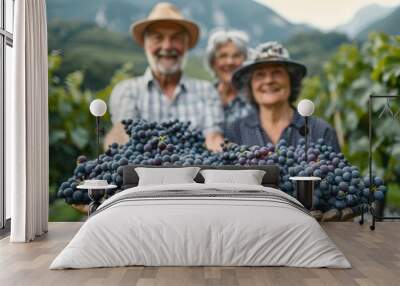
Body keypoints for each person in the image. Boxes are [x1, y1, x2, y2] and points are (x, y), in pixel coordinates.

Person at [105, 2, 224, 152]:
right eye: (158, 38)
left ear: (186, 45)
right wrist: (117, 148)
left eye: (176, 38)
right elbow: (122, 132)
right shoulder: (127, 90)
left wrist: (227, 155)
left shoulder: (206, 91)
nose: (167, 46)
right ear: (145, 44)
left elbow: (213, 137)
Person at [225, 42, 340, 152]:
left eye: (277, 72)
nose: (269, 80)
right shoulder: (235, 132)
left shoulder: (319, 131)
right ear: (250, 85)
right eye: (260, 74)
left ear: (291, 80)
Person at [205, 28, 254, 130]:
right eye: (223, 56)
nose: (230, 62)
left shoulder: (255, 98)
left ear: (246, 61)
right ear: (213, 63)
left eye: (236, 56)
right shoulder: (203, 97)